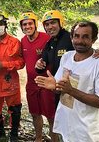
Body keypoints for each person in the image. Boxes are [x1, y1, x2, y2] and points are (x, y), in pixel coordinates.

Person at [35, 21, 99, 141]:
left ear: (94, 39)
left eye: (85, 37)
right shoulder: (67, 57)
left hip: (86, 133)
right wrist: (54, 87)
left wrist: (71, 90)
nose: (80, 41)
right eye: (76, 36)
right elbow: (60, 89)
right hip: (66, 125)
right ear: (71, 38)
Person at [0, 10, 25, 141]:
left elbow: (21, 63)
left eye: (1, 24)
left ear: (5, 24)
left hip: (10, 80)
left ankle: (14, 134)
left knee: (14, 108)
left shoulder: (14, 42)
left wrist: (4, 64)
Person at [19, 12, 56, 142]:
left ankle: (55, 140)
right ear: (21, 27)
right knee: (35, 114)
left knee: (51, 116)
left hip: (46, 83)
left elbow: (67, 46)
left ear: (35, 25)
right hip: (31, 84)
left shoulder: (47, 38)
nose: (27, 26)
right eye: (24, 24)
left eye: (30, 23)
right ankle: (38, 138)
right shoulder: (23, 41)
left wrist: (95, 52)